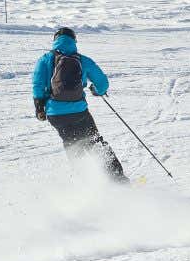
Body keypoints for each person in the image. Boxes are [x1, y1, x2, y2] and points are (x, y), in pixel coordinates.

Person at [31, 27, 126, 180]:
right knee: (95, 142)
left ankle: (84, 184)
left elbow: (37, 84)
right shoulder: (82, 60)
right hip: (79, 112)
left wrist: (39, 107)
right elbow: (102, 82)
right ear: (74, 41)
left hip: (55, 114)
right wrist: (97, 90)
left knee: (71, 144)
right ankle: (118, 179)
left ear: (55, 40)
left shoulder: (45, 59)